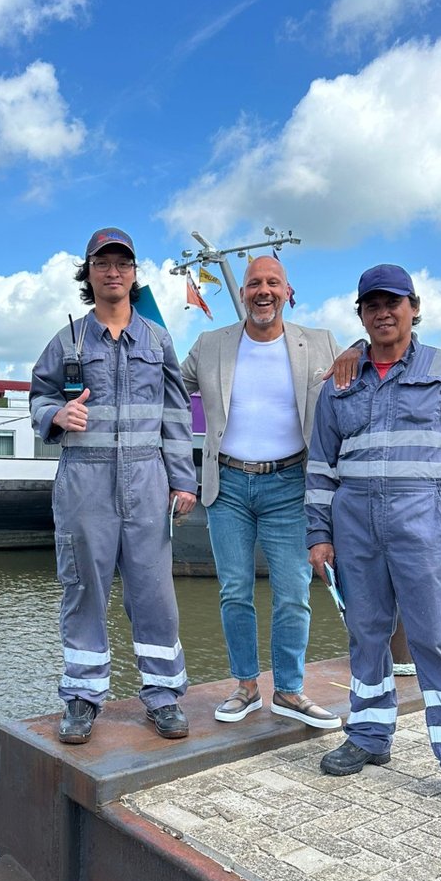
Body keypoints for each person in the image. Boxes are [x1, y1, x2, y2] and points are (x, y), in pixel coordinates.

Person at [306, 264, 441, 822]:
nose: (383, 312)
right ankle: (369, 734)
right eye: (372, 304)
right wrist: (318, 534)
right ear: (361, 315)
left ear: (414, 307)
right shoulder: (340, 382)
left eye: (393, 302)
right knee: (365, 632)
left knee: (437, 639)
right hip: (355, 526)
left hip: (426, 522)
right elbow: (321, 465)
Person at [30, 228, 198, 745]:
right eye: (103, 264)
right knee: (84, 588)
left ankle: (163, 696)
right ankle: (82, 698)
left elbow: (176, 413)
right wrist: (55, 413)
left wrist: (183, 478)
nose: (113, 272)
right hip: (85, 481)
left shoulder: (157, 340)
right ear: (89, 273)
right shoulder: (67, 341)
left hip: (146, 478)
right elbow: (37, 396)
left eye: (122, 264)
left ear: (133, 273)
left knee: (154, 592)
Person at [180, 255, 356, 729]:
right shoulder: (211, 343)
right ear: (243, 294)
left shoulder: (319, 343)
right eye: (254, 282)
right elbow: (167, 385)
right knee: (234, 590)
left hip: (291, 483)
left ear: (287, 291)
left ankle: (290, 691)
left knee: (293, 591)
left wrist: (357, 347)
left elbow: (362, 373)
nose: (262, 290)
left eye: (272, 282)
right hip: (229, 484)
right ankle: (245, 687)